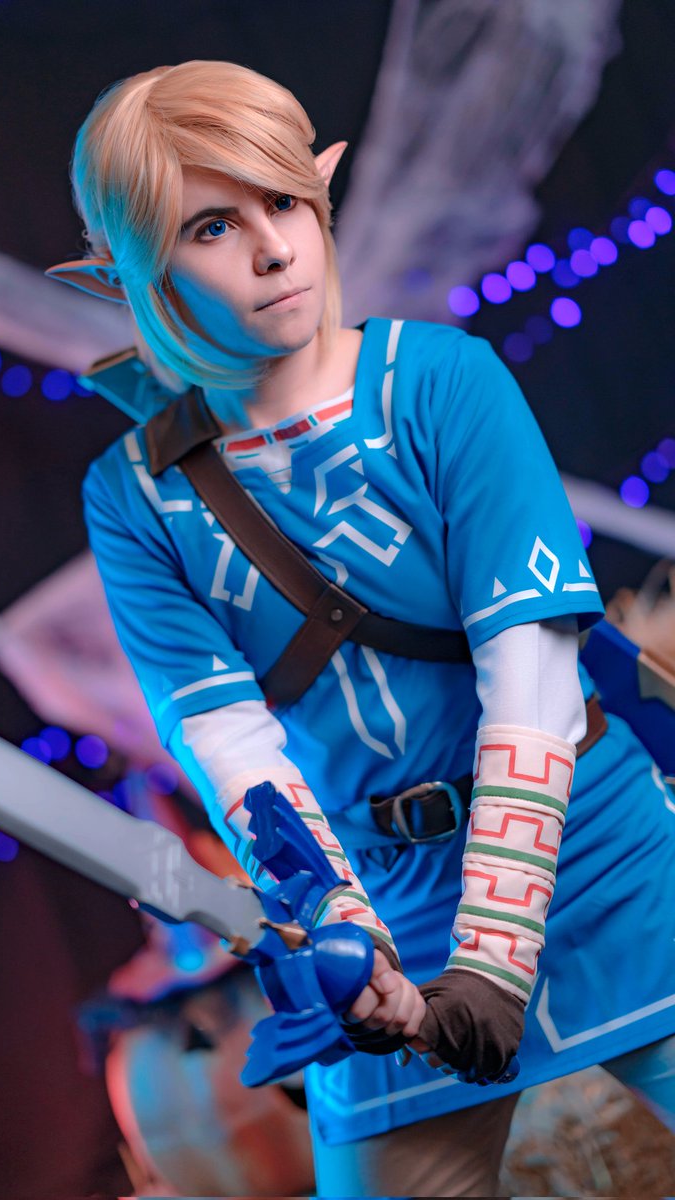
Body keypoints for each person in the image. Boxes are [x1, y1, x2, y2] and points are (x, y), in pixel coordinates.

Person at [47, 60, 675, 1196]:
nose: (273, 249)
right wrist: (347, 943)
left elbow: (530, 686)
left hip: (597, 857)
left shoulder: (443, 384)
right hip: (383, 901)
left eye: (284, 201)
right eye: (211, 225)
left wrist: (492, 965)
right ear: (130, 273)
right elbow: (228, 743)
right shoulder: (134, 495)